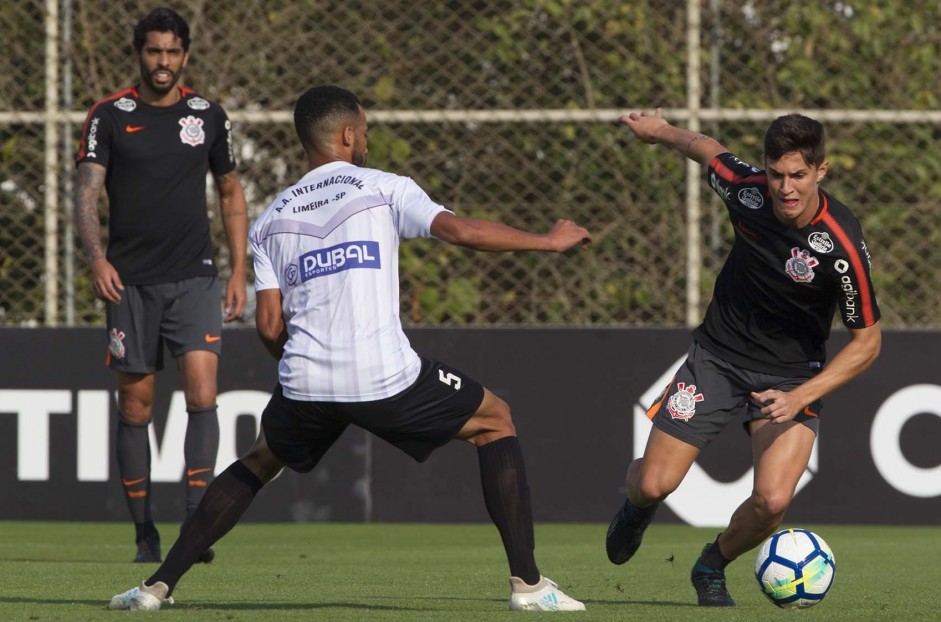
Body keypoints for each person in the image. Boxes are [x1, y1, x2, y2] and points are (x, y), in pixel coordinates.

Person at [108, 84, 591, 612]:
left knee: (259, 459)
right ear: (346, 134)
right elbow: (461, 231)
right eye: (364, 130)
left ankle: (156, 588)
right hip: (382, 376)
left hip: (305, 381)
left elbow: (270, 327)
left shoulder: (271, 219)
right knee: (495, 420)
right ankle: (529, 585)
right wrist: (548, 240)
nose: (367, 139)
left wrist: (313, 377)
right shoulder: (384, 188)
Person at [604, 109, 881, 606]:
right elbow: (706, 148)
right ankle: (636, 510)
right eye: (776, 174)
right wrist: (658, 132)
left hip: (791, 377)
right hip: (716, 358)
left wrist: (801, 396)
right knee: (652, 483)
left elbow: (868, 342)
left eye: (798, 175)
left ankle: (712, 564)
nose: (785, 188)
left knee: (772, 502)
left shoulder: (840, 247)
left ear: (821, 171)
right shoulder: (746, 189)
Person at [73, 7, 248, 564]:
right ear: (139, 54)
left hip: (195, 279)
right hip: (130, 285)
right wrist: (97, 260)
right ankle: (145, 533)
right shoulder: (108, 115)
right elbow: (86, 195)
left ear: (186, 55)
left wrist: (240, 269)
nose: (163, 62)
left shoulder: (209, 115)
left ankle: (196, 524)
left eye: (173, 52)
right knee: (136, 407)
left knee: (202, 393)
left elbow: (230, 194)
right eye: (154, 51)